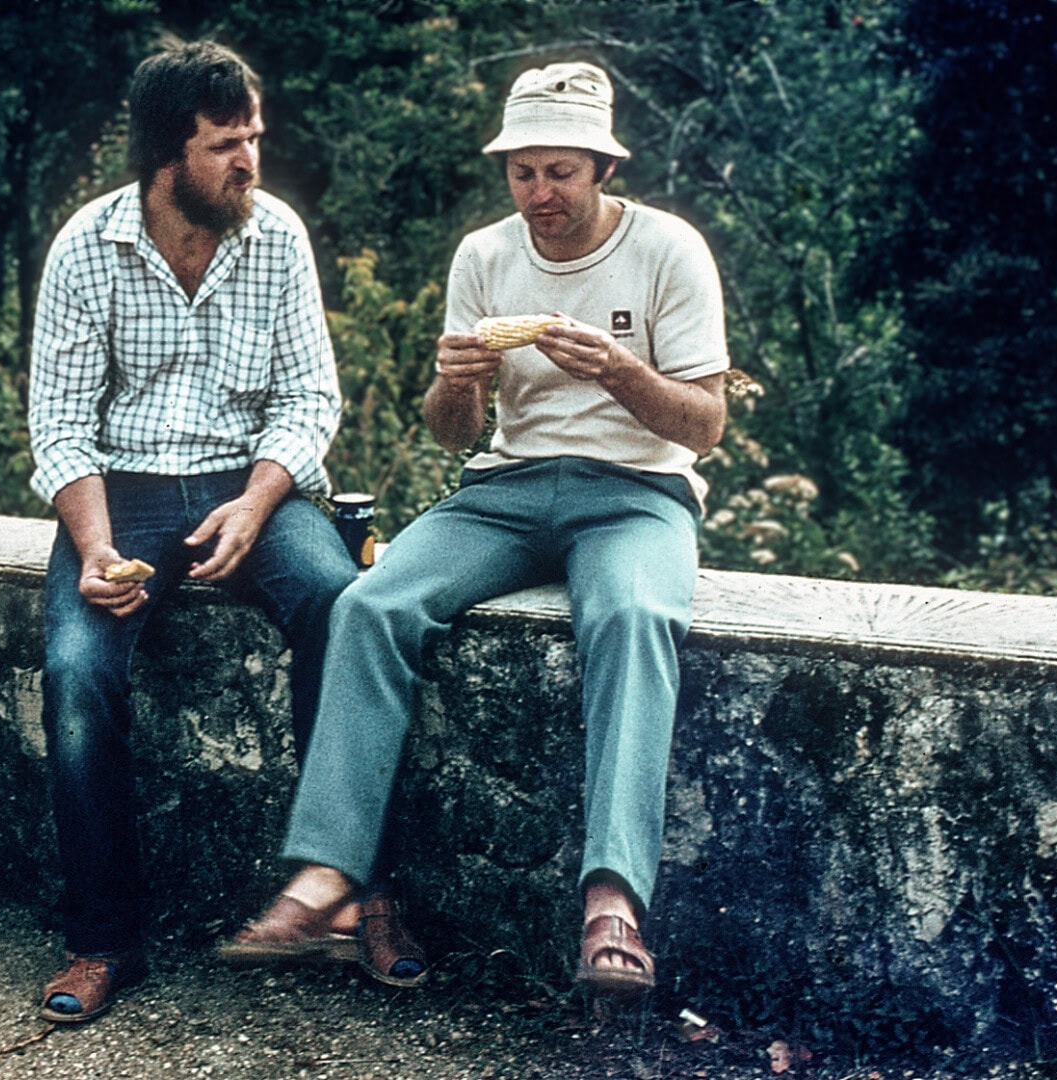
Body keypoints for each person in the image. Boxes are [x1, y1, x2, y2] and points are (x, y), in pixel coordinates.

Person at [220, 59, 729, 996]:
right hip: (508, 486)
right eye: (522, 173)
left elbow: (703, 425)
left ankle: (611, 901)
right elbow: (453, 434)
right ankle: (326, 877)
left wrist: (619, 371)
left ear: (603, 167)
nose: (539, 193)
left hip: (636, 491)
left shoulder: (668, 250)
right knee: (370, 604)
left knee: (630, 619)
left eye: (559, 172)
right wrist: (455, 384)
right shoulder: (484, 256)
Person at [25, 39, 413, 1024]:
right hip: (125, 492)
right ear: (168, 154)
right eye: (225, 144)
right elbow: (60, 425)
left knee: (343, 606)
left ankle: (358, 895)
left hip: (254, 482)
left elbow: (309, 397)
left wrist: (256, 502)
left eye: (255, 137)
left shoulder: (274, 234)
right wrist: (96, 547)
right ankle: (103, 940)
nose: (250, 161)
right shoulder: (87, 246)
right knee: (76, 671)